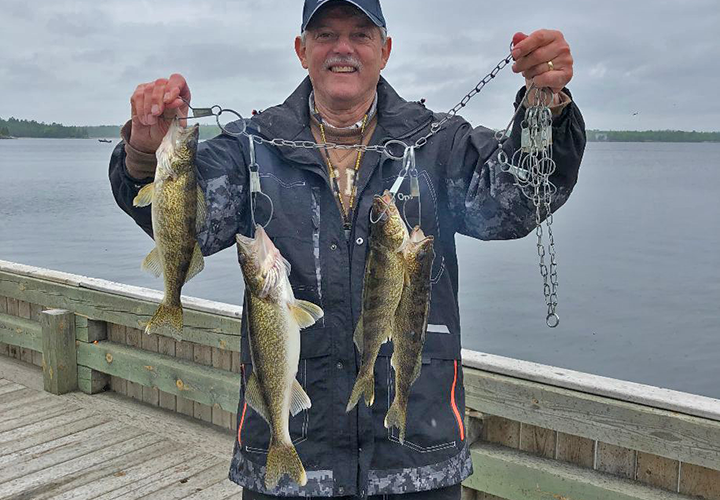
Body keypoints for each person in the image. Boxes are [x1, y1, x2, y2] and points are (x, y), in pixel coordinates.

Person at [109, 1, 586, 498]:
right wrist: (145, 153)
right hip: (292, 461)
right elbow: (186, 224)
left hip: (415, 455)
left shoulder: (438, 144)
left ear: (385, 50)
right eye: (325, 34)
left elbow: (515, 202)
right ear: (301, 50)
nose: (343, 48)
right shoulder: (252, 148)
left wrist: (545, 104)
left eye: (360, 34)